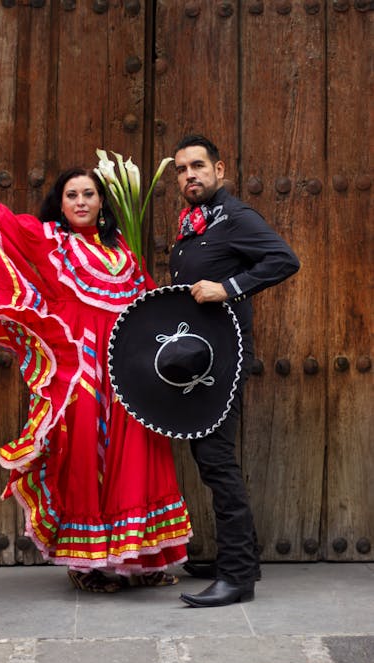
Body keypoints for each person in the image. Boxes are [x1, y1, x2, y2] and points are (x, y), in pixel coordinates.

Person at [0, 162, 192, 592]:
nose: (81, 201)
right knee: (81, 455)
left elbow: (150, 306)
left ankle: (141, 558)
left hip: (125, 373)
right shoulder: (50, 241)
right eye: (72, 195)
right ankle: (88, 565)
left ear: (102, 204)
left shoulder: (126, 256)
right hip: (77, 369)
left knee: (136, 457)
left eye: (89, 194)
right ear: (60, 205)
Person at [169, 134, 300, 607]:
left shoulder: (235, 216)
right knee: (210, 459)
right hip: (200, 363)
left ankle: (238, 575)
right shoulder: (193, 223)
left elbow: (284, 260)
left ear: (219, 171)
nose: (190, 175)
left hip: (223, 363)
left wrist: (230, 287)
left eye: (198, 166)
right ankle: (239, 557)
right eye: (182, 169)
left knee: (217, 461)